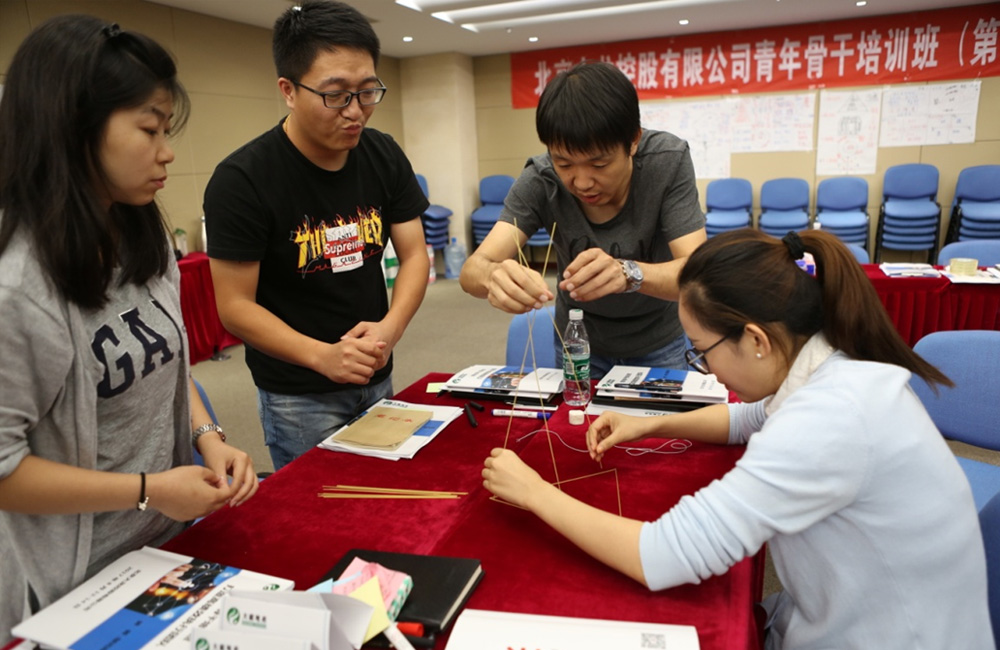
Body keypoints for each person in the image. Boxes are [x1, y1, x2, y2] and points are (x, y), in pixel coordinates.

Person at [481, 229, 992, 648]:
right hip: (852, 606)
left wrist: (534, 492)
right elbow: (748, 419)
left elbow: (665, 554)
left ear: (756, 340)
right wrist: (651, 423)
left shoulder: (827, 420)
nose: (705, 367)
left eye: (702, 351)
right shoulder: (827, 363)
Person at [0, 15, 258, 640]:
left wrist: (208, 437)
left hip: (166, 540)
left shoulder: (140, 232)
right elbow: (4, 470)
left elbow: (168, 365)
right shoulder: (19, 285)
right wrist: (146, 490)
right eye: (149, 129)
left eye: (167, 129)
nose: (167, 151)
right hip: (75, 578)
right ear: (74, 126)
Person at [204, 0, 430, 471]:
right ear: (288, 90)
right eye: (336, 95)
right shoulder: (243, 179)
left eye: (367, 92)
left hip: (375, 372)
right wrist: (322, 356)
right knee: (319, 506)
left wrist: (390, 329)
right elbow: (235, 306)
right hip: (299, 394)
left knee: (384, 493)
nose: (356, 112)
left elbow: (414, 256)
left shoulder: (383, 154)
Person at [460, 61, 706, 377]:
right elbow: (472, 271)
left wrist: (629, 273)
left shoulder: (667, 161)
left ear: (633, 140)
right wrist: (493, 276)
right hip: (578, 341)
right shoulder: (541, 178)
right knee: (578, 411)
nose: (582, 182)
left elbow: (699, 273)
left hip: (659, 341)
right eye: (564, 164)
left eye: (599, 165)